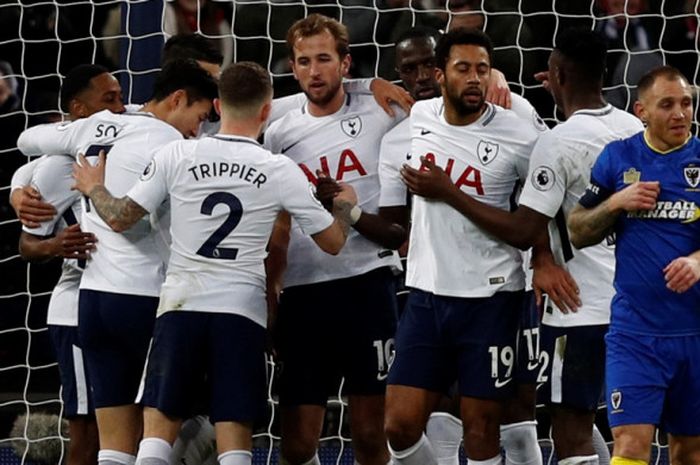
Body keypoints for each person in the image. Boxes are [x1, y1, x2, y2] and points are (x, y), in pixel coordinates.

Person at [70, 61, 356, 465]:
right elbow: (333, 242)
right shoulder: (279, 169)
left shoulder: (175, 153)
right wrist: (344, 207)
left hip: (179, 308)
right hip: (240, 314)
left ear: (218, 106)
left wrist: (93, 186)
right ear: (266, 111)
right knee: (234, 438)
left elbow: (119, 217)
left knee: (156, 436)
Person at [401, 28, 644, 465]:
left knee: (568, 430)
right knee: (629, 431)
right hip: (634, 301)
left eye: (481, 69)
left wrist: (450, 192)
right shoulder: (632, 128)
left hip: (572, 306)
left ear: (556, 74)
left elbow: (525, 227)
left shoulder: (548, 140)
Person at [16, 58, 218, 465]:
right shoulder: (174, 148)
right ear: (178, 98)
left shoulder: (96, 126)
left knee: (112, 447)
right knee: (167, 436)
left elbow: (27, 138)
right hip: (147, 302)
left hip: (94, 301)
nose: (199, 127)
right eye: (198, 116)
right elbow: (123, 218)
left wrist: (19, 186)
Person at [379, 25, 545, 465]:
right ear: (440, 74)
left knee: (482, 430)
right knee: (398, 425)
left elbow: (537, 219)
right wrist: (370, 83)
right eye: (464, 69)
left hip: (491, 298)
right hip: (427, 295)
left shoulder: (520, 130)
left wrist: (449, 191)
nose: (475, 79)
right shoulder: (420, 117)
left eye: (484, 70)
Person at [263, 14, 407, 465]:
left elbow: (434, 103)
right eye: (304, 61)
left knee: (370, 433)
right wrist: (272, 284)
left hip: (368, 284)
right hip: (304, 292)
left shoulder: (381, 111)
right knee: (299, 442)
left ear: (345, 64)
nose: (314, 71)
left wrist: (374, 84)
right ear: (292, 66)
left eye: (324, 59)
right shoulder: (277, 134)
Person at [568, 65, 700, 465]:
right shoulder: (618, 157)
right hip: (635, 334)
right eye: (667, 105)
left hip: (694, 332)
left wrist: (698, 260)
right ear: (641, 110)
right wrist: (616, 203)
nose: (680, 113)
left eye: (686, 103)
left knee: (690, 452)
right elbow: (577, 229)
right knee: (629, 445)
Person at [14, 63, 125, 465]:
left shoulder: (134, 147)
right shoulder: (61, 165)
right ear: (79, 109)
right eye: (109, 99)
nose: (120, 107)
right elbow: (28, 243)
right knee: (89, 439)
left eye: (120, 97)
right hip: (76, 311)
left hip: (122, 304)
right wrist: (57, 244)